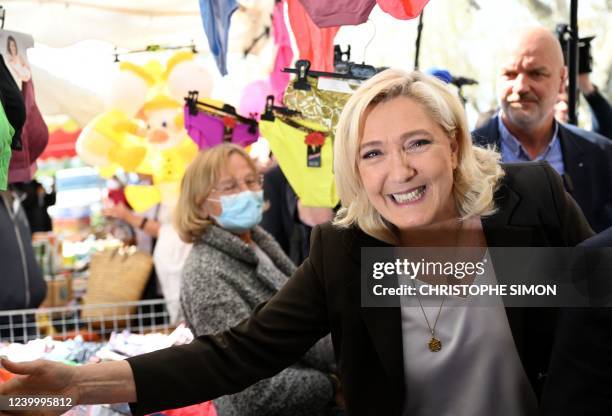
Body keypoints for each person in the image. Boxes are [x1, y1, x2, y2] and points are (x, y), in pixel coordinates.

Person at [0, 69, 594, 415]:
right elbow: (237, 355)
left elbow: (601, 310)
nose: (399, 171)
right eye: (372, 153)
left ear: (455, 147)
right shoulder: (347, 251)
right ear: (354, 173)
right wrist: (74, 386)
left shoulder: (531, 201)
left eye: (417, 143)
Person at [173, 143, 337, 416]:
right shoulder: (205, 274)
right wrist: (330, 385)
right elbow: (251, 393)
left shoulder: (258, 241)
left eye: (251, 181)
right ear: (200, 204)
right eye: (230, 187)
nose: (247, 192)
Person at [472, 26, 612, 233]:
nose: (520, 87)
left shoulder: (601, 156)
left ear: (562, 81)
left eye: (536, 73)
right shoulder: (460, 157)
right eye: (510, 74)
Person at [555, 73, 612, 140]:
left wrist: (588, 89)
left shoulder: (580, 142)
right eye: (557, 102)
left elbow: (606, 131)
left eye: (567, 103)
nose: (564, 107)